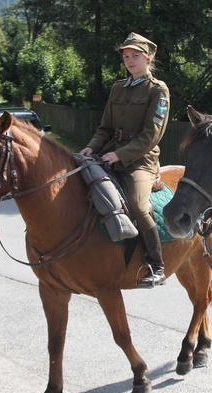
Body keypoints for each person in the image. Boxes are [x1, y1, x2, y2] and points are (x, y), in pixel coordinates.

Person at [80, 33, 170, 288]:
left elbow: (151, 135)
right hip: (108, 150)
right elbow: (105, 128)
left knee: (138, 205)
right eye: (126, 57)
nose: (130, 61)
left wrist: (120, 155)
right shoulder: (118, 87)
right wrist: (90, 148)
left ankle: (156, 265)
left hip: (140, 159)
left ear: (148, 57)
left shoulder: (158, 90)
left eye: (135, 56)